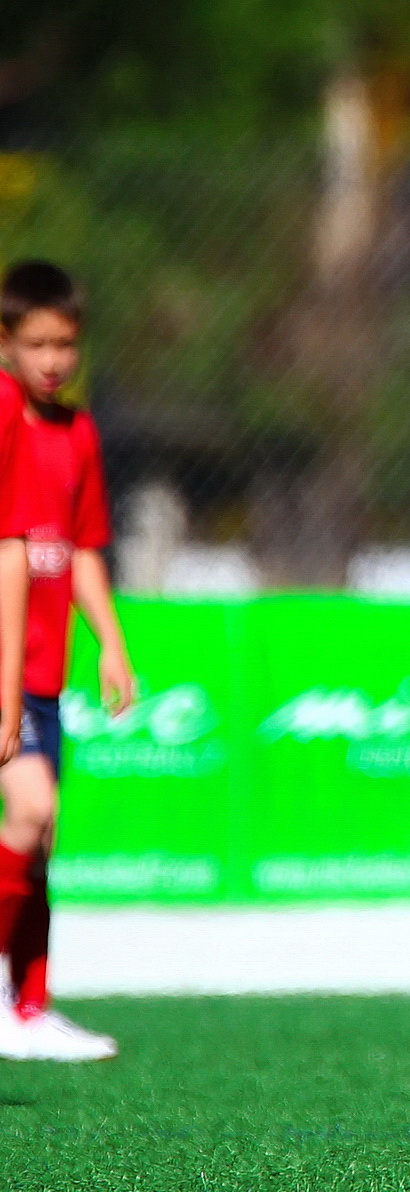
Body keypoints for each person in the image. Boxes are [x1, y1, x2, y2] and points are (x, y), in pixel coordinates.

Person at [0, 260, 132, 1062]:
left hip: (44, 674)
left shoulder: (76, 432)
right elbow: (9, 550)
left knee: (40, 837)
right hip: (6, 672)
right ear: (6, 342)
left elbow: (78, 548)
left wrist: (111, 642)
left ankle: (29, 1007)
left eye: (66, 345)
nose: (53, 360)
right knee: (31, 809)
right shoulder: (3, 414)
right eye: (37, 343)